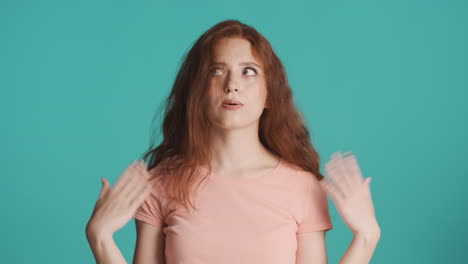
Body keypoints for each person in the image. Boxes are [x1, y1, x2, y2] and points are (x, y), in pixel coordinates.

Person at [85, 19, 381, 264]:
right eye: (217, 70)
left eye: (248, 71)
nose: (232, 85)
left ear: (269, 94)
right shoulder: (160, 182)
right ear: (197, 91)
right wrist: (100, 238)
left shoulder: (303, 187)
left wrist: (367, 237)